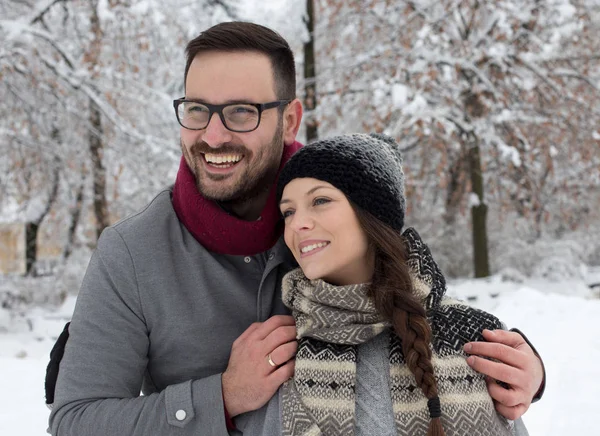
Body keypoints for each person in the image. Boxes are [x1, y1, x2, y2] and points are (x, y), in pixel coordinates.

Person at [46, 22, 544, 436]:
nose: (212, 135)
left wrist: (519, 365)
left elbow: (414, 293)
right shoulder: (132, 254)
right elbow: (74, 420)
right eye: (197, 110)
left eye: (241, 111)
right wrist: (219, 397)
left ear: (289, 120)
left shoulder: (340, 209)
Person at [275, 133, 534, 436]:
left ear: (373, 213)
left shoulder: (471, 334)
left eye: (320, 200)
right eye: (288, 211)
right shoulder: (280, 346)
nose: (296, 224)